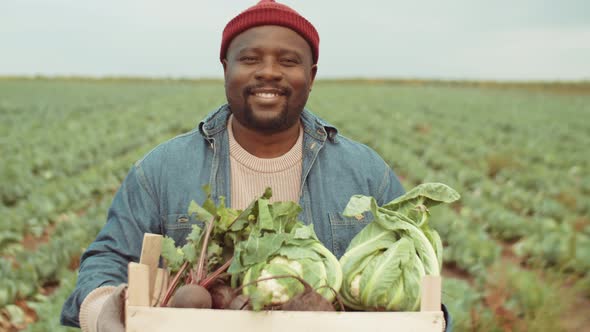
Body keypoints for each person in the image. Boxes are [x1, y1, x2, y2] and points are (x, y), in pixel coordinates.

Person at [60, 1, 451, 331]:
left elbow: (420, 278)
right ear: (226, 68)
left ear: (310, 77)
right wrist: (105, 312)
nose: (268, 72)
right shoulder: (162, 170)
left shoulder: (366, 172)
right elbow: (107, 259)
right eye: (249, 59)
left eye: (288, 61)